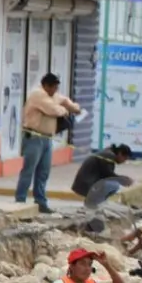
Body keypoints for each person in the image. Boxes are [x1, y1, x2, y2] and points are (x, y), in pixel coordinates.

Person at [17, 73, 81, 214]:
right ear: (46, 86)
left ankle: (41, 202)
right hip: (34, 137)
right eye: (53, 87)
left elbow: (64, 101)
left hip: (47, 139)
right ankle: (20, 200)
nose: (55, 91)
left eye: (56, 88)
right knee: (28, 171)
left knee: (43, 172)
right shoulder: (38, 95)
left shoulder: (53, 96)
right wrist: (66, 111)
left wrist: (75, 108)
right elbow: (54, 110)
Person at [71, 144, 134, 209]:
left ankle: (93, 202)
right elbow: (107, 174)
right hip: (85, 183)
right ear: (120, 154)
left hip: (85, 182)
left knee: (111, 184)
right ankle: (95, 204)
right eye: (125, 158)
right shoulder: (109, 156)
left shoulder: (108, 154)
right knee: (113, 185)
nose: (124, 161)